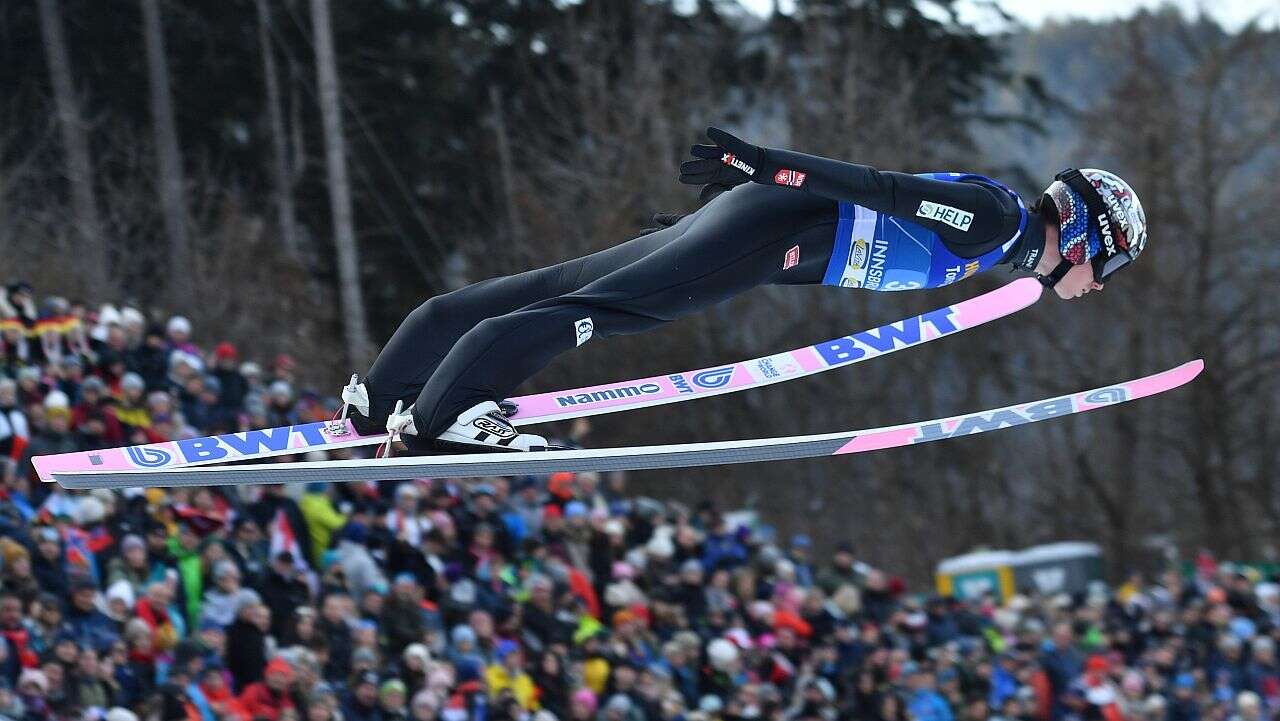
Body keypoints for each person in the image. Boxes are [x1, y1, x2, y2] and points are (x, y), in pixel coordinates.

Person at [336, 126, 1148, 452]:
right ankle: (445, 416)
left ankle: (383, 396)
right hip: (762, 228)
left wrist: (716, 224)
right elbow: (879, 188)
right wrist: (763, 169)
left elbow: (859, 234)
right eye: (1104, 270)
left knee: (563, 284)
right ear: (1083, 238)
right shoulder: (992, 220)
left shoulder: (994, 234)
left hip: (758, 232)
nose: (1096, 287)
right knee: (596, 308)